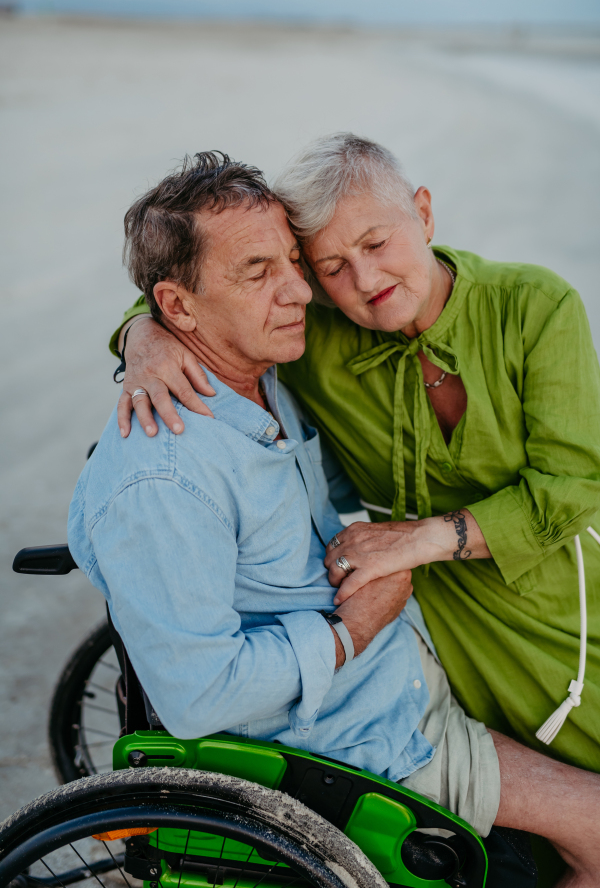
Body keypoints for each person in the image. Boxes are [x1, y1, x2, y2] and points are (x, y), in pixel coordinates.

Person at [71, 152, 600, 886]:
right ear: (180, 309)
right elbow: (199, 694)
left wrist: (150, 329)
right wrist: (352, 630)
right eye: (269, 272)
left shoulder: (266, 376)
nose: (303, 292)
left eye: (296, 262)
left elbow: (573, 481)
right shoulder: (172, 468)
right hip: (369, 736)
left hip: (415, 672)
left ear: (423, 211)